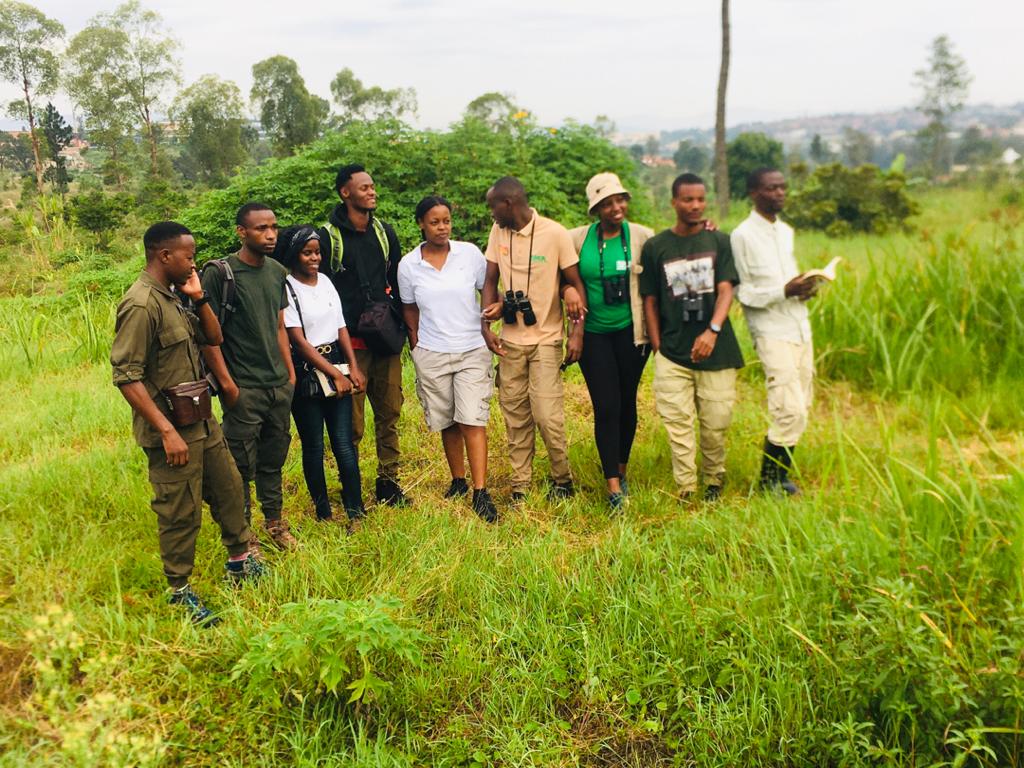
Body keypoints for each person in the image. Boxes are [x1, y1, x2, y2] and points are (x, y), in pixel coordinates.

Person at [111, 221, 263, 627]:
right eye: (188, 257)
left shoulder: (174, 297)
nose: (194, 264)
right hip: (172, 432)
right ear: (165, 256)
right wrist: (166, 431)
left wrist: (199, 297)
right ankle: (179, 592)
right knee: (180, 511)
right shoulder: (141, 304)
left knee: (229, 489)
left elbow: (213, 338)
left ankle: (240, 562)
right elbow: (126, 376)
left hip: (201, 421)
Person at [481, 176, 588, 502]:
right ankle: (520, 487)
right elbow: (490, 279)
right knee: (515, 415)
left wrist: (577, 333)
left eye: (493, 207)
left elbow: (575, 284)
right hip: (511, 341)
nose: (491, 214)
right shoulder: (498, 231)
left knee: (547, 415)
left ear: (509, 203)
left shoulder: (555, 233)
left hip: (546, 339)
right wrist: (486, 324)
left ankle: (562, 480)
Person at [639, 173, 744, 502]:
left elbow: (726, 290)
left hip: (717, 351)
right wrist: (658, 346)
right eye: (688, 199)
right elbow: (650, 300)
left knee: (716, 423)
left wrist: (712, 331)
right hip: (672, 352)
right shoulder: (656, 246)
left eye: (700, 199)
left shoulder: (719, 241)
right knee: (678, 424)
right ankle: (685, 486)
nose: (696, 205)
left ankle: (714, 480)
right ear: (674, 202)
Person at [201, 203, 298, 550]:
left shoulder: (276, 271)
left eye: (274, 227)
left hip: (278, 385)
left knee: (273, 458)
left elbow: (279, 326)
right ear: (241, 232)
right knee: (239, 465)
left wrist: (289, 375)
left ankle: (275, 524)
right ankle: (244, 535)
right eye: (261, 228)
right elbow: (207, 335)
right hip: (244, 388)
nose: (271, 235)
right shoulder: (221, 273)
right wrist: (228, 385)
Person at [397, 196, 499, 523]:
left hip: (471, 349)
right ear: (421, 224)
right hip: (432, 352)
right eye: (434, 222)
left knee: (472, 418)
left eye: (446, 221)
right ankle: (458, 480)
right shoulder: (408, 265)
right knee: (447, 420)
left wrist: (487, 324)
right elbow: (409, 308)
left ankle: (480, 492)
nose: (442, 228)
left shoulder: (469, 254)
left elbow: (488, 289)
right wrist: (416, 344)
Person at [317, 164, 411, 507]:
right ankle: (352, 487)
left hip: (385, 342)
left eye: (372, 187)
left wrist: (402, 326)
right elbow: (318, 288)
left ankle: (389, 483)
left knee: (390, 414)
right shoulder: (327, 238)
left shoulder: (385, 233)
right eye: (364, 188)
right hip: (349, 347)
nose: (372, 192)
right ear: (345, 193)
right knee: (351, 425)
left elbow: (398, 282)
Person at [565, 173, 655, 510]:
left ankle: (622, 468)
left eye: (619, 200)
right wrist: (568, 290)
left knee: (627, 403)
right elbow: (562, 276)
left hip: (633, 334)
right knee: (606, 406)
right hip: (593, 334)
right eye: (606, 203)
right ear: (595, 209)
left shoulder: (643, 236)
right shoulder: (576, 239)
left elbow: (670, 257)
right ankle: (612, 485)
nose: (615, 207)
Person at [731, 167, 816, 495]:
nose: (780, 193)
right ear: (754, 193)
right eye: (771, 188)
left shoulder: (786, 232)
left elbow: (787, 280)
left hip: (799, 326)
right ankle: (769, 480)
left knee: (802, 404)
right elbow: (743, 293)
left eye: (782, 187)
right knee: (787, 407)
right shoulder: (742, 235)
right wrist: (784, 291)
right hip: (770, 331)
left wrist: (803, 289)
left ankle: (780, 477)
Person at [277, 225, 368, 523]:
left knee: (343, 443)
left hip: (336, 361)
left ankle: (355, 510)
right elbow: (298, 341)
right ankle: (323, 511)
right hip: (306, 372)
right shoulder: (287, 288)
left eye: (317, 252)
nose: (315, 258)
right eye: (307, 253)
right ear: (294, 255)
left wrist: (352, 367)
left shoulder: (327, 281)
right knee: (314, 445)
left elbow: (341, 326)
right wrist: (334, 375)